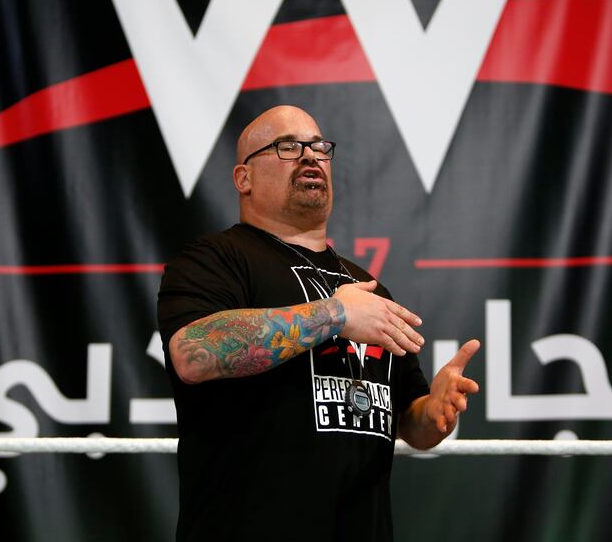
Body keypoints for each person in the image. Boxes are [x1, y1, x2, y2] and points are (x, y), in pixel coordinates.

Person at [157, 105, 480, 542]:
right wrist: (335, 314)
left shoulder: (369, 292)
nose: (310, 157)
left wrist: (435, 414)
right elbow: (193, 354)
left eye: (318, 148)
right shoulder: (214, 260)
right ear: (243, 179)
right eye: (287, 147)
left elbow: (410, 423)